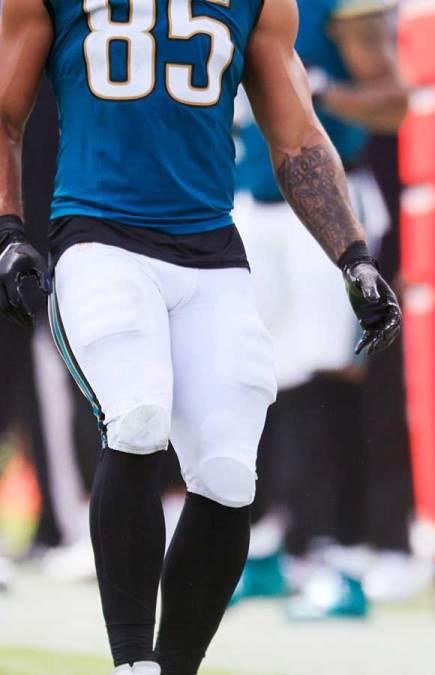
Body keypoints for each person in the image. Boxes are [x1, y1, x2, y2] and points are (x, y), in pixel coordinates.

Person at [0, 0, 402, 671]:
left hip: (210, 248)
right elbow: (5, 114)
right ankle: (132, 659)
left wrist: (353, 254)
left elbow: (297, 134)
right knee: (137, 414)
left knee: (226, 469)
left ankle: (176, 663)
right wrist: (9, 230)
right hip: (99, 235)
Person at [229, 0, 409, 616]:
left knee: (330, 384)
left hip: (328, 207)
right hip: (249, 203)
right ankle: (262, 551)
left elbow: (394, 98)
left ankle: (347, 562)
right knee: (258, 384)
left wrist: (315, 95)